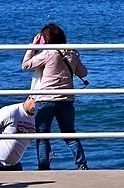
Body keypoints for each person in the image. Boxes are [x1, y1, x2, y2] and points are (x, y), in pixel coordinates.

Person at [21, 22, 89, 170]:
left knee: (43, 136)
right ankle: (81, 165)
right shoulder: (72, 53)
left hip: (45, 99)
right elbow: (83, 73)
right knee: (70, 135)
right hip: (66, 99)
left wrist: (33, 46)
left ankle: (44, 167)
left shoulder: (47, 53)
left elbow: (25, 65)